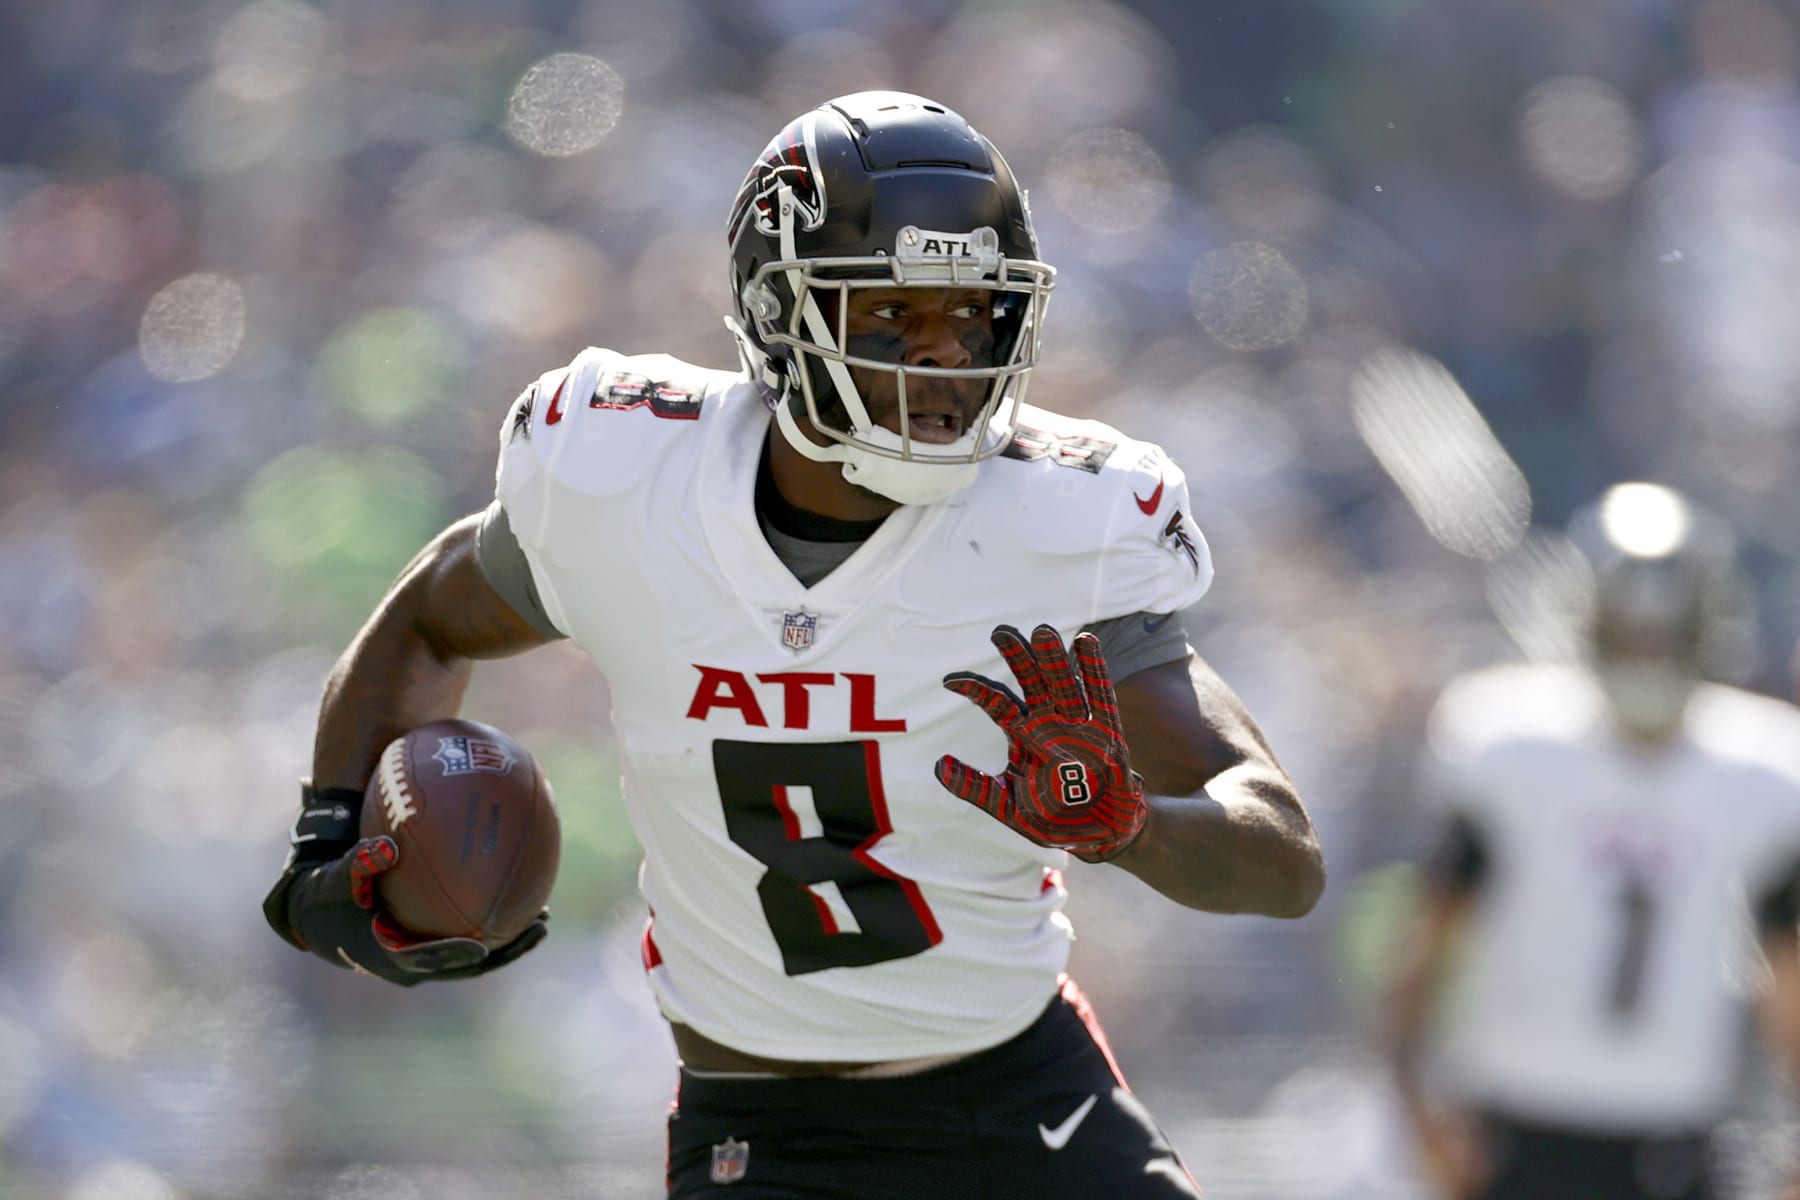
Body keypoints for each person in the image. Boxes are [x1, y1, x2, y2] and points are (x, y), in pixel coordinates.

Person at [262, 91, 1324, 1199]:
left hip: (1021, 1094)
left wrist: (1133, 830)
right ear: (781, 314)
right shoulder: (626, 476)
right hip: (765, 1128)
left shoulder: (1064, 522)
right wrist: (326, 832)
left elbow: (1285, 855)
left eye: (974, 314)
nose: (944, 358)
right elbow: (429, 620)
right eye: (894, 314)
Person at [1384, 482, 1800, 1200]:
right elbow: (1428, 940)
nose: (1647, 656)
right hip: (1515, 1117)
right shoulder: (1511, 744)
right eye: (1632, 634)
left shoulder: (1763, 771)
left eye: (1662, 636)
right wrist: (1414, 1101)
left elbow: (1789, 975)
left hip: (1675, 1126)